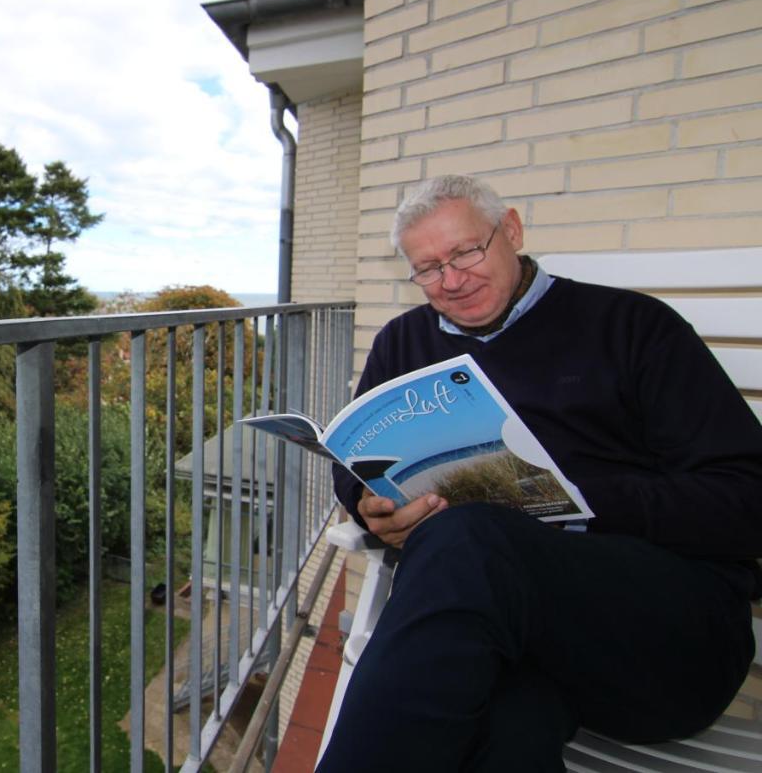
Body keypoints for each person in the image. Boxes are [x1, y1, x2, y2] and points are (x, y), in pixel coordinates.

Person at [315, 175, 762, 772]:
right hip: (526, 645)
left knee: (471, 538)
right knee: (502, 730)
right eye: (427, 268)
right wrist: (371, 505)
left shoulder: (633, 328)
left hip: (666, 638)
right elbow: (363, 463)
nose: (450, 280)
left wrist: (577, 500)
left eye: (466, 252)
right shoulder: (405, 341)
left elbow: (748, 500)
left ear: (513, 232)